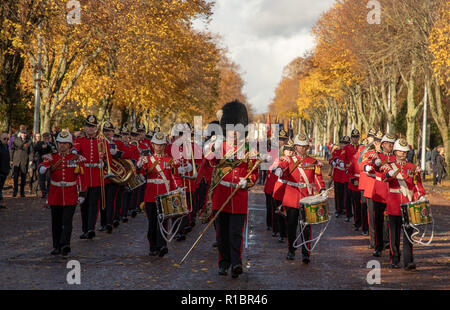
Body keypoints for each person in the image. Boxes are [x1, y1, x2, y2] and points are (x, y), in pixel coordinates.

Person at [208, 100, 259, 278]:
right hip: (221, 195)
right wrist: (212, 148)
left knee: (235, 234)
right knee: (221, 235)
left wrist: (248, 182)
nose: (233, 135)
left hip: (238, 197)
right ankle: (224, 263)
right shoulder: (220, 147)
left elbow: (254, 173)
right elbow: (211, 162)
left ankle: (236, 263)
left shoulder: (248, 149)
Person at [273, 133, 325, 264]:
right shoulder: (288, 159)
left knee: (306, 226)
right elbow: (281, 166)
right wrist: (278, 169)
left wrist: (322, 189)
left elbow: (317, 178)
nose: (302, 148)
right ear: (295, 146)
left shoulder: (313, 162)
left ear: (307, 146)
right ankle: (291, 250)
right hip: (291, 195)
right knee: (291, 226)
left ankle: (306, 252)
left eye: (304, 146)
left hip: (306, 196)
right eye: (299, 146)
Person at [39, 131, 87, 256]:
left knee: (67, 221)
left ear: (70, 145)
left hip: (70, 194)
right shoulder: (51, 157)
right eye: (60, 143)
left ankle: (65, 244)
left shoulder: (76, 159)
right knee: (56, 222)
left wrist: (82, 194)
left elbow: (82, 177)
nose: (62, 146)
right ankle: (56, 246)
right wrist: (42, 168)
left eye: (65, 143)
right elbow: (44, 164)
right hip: (55, 194)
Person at [382, 139, 426, 269]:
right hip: (394, 204)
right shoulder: (389, 165)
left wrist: (421, 195)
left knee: (408, 234)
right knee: (394, 235)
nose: (403, 154)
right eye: (401, 151)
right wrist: (391, 173)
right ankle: (394, 259)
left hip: (408, 204)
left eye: (405, 151)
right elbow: (386, 177)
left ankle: (408, 261)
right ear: (395, 151)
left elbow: (417, 185)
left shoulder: (412, 168)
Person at [137, 132, 181, 258]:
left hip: (164, 194)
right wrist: (139, 165)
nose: (159, 147)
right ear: (152, 145)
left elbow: (173, 177)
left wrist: (176, 188)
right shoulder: (148, 160)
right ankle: (152, 246)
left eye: (162, 145)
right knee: (152, 223)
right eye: (157, 145)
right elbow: (141, 172)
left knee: (163, 222)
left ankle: (162, 246)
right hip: (151, 195)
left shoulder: (169, 160)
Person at [73, 115, 112, 240]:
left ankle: (91, 228)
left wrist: (104, 163)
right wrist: (76, 156)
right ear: (85, 127)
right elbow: (74, 153)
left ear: (96, 128)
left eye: (93, 127)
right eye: (89, 126)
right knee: (84, 204)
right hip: (84, 177)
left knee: (94, 204)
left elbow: (108, 160)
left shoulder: (102, 141)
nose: (90, 129)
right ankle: (85, 229)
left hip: (96, 176)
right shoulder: (79, 140)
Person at [365, 133, 396, 257]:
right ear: (383, 144)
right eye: (388, 143)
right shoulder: (377, 156)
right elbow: (370, 165)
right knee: (378, 220)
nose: (391, 145)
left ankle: (390, 242)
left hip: (392, 192)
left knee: (392, 220)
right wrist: (369, 166)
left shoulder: (396, 159)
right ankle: (378, 245)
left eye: (392, 144)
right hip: (379, 192)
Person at [10, 129, 34, 197]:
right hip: (16, 160)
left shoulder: (29, 142)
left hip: (24, 160)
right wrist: (11, 159)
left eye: (25, 134)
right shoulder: (16, 140)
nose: (24, 135)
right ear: (20, 134)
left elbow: (31, 152)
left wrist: (31, 160)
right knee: (15, 177)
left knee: (23, 177)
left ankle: (22, 192)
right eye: (23, 133)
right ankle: (15, 191)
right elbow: (12, 150)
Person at [33, 132, 56, 198]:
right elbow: (35, 148)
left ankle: (49, 191)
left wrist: (50, 147)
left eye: (48, 138)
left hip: (50, 163)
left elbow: (55, 151)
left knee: (49, 178)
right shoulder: (40, 143)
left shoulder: (52, 144)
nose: (47, 139)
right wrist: (41, 147)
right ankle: (43, 192)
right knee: (41, 178)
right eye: (45, 138)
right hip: (42, 162)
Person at [0, 133, 10, 208]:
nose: (6, 140)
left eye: (7, 139)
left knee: (1, 187)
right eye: (4, 139)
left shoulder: (6, 146)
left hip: (5, 169)